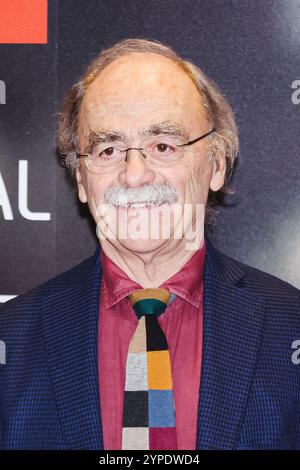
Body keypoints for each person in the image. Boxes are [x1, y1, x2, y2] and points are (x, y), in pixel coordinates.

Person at [0, 38, 299, 450]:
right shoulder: (10, 340)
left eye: (163, 146)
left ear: (215, 165)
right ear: (82, 180)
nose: (134, 174)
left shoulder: (291, 326)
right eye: (108, 149)